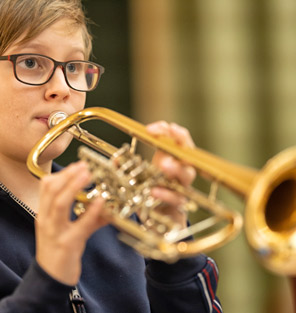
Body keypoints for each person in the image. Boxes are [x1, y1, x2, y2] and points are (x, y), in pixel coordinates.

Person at [0, 0, 223, 312]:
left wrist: (170, 246)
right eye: (31, 63)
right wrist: (49, 279)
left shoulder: (116, 211)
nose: (62, 88)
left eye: (74, 67)